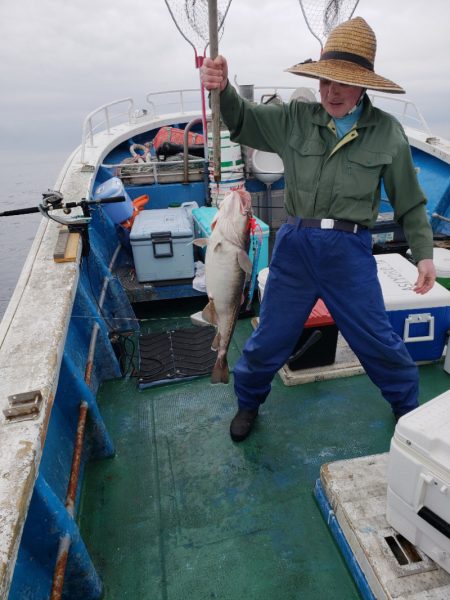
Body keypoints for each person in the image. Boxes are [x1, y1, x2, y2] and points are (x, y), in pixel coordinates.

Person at [200, 17, 436, 442]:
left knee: (378, 339)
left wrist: (423, 254)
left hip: (350, 251)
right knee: (271, 336)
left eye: (344, 84)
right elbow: (244, 119)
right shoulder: (295, 117)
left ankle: (408, 411)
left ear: (364, 85)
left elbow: (410, 201)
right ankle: (248, 401)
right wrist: (221, 86)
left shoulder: (387, 133)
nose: (332, 92)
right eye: (326, 82)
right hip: (295, 246)